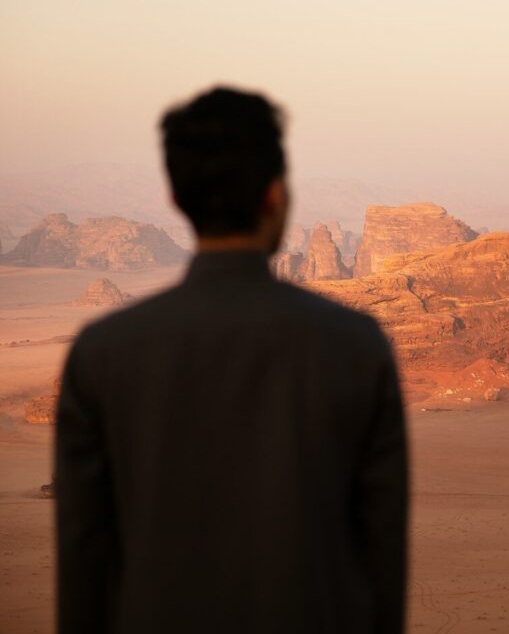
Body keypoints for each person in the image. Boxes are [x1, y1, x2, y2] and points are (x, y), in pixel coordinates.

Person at [55, 86, 408, 633]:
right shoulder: (355, 346)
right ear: (275, 196)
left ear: (177, 198)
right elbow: (381, 550)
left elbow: (83, 563)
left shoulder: (102, 354)